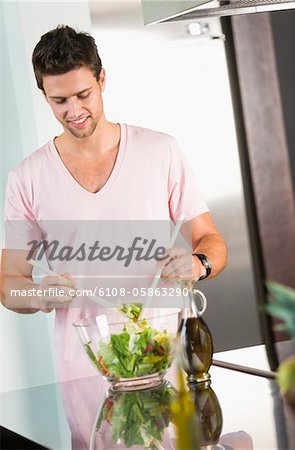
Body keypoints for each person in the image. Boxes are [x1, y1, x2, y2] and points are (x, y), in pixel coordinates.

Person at [1, 25, 227, 383]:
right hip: (85, 370)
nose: (74, 110)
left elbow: (212, 241)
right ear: (44, 93)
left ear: (102, 79)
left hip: (165, 359)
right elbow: (9, 283)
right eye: (59, 101)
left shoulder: (160, 151)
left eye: (83, 94)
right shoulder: (26, 178)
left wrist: (198, 263)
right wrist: (39, 295)